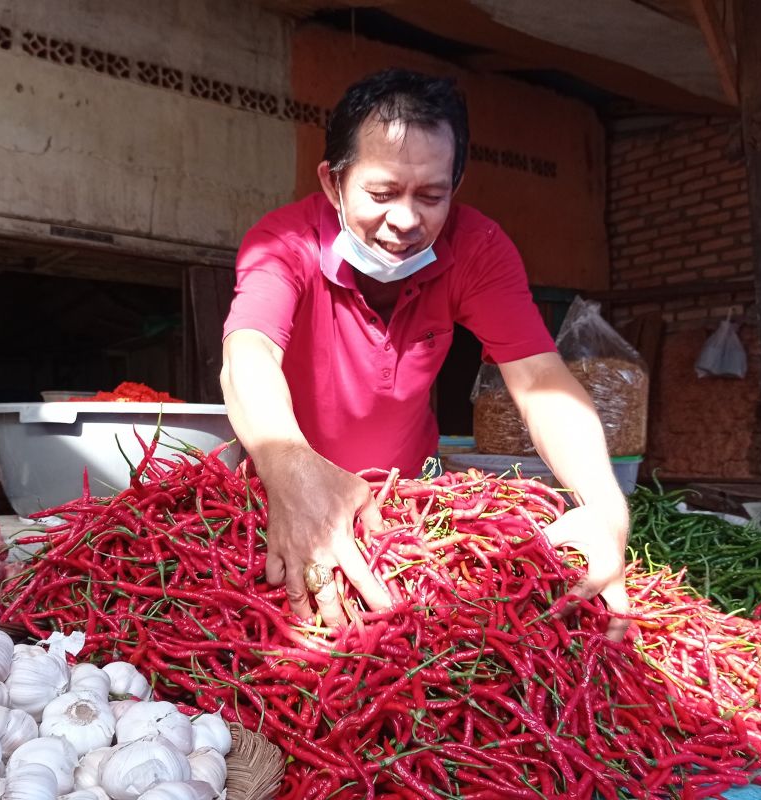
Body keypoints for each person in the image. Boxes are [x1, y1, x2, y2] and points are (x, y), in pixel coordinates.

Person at [220, 68, 629, 639]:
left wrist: (606, 506)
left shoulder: (477, 248)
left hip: (404, 513)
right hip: (282, 500)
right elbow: (248, 353)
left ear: (455, 185)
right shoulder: (284, 243)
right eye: (382, 194)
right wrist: (293, 470)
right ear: (333, 183)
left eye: (432, 196)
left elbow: (543, 382)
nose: (408, 220)